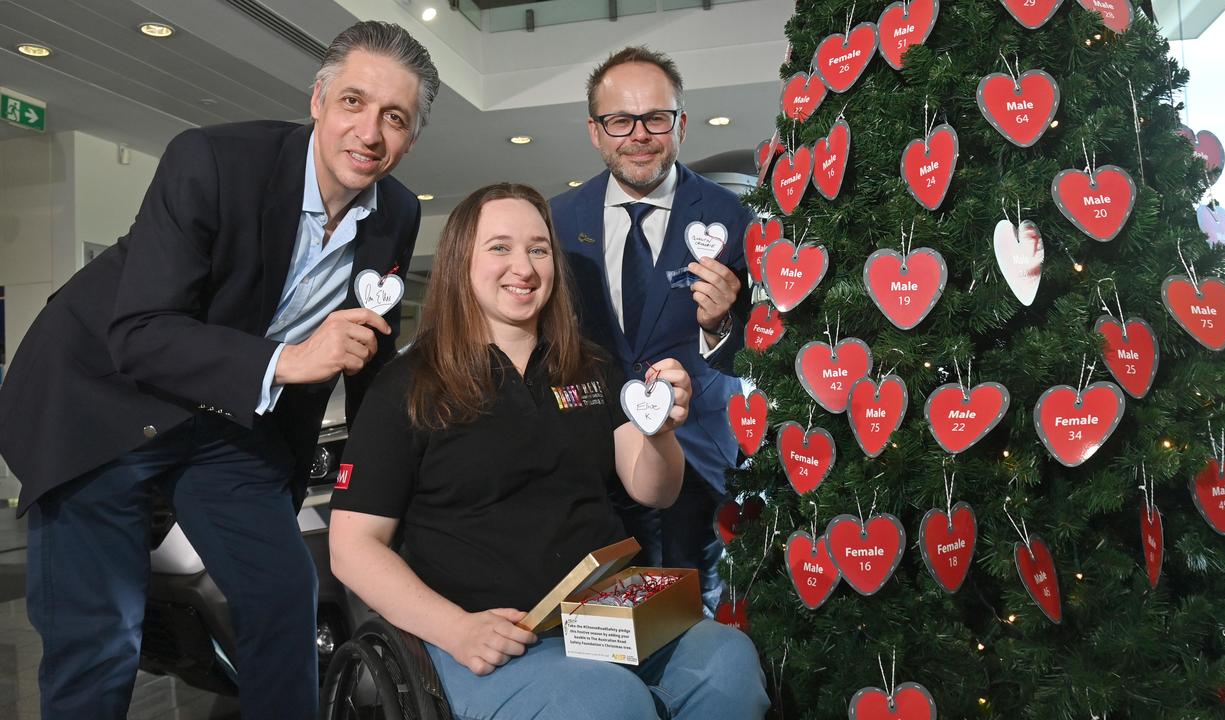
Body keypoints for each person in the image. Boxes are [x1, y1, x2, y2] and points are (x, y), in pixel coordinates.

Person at [0, 21, 438, 720]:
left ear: (413, 136)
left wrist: (379, 473)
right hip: (104, 395)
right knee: (102, 637)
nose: (370, 131)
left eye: (396, 117)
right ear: (318, 99)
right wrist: (290, 360)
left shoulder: (398, 212)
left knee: (282, 599)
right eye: (354, 101)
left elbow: (368, 351)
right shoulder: (212, 160)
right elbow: (140, 332)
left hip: (223, 419)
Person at [329, 183, 770, 719]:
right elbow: (352, 548)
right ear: (459, 263)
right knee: (608, 701)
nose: (524, 266)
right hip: (487, 635)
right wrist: (457, 629)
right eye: (500, 248)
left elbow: (655, 489)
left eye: (539, 249)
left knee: (727, 661)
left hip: (605, 618)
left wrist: (659, 430)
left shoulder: (589, 367)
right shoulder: (408, 385)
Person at [549, 46, 755, 611]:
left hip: (696, 458)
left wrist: (721, 323)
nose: (638, 135)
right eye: (620, 120)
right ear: (595, 131)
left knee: (692, 617)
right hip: (593, 458)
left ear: (680, 125)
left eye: (656, 118)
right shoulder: (556, 220)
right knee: (603, 620)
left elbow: (761, 352)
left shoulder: (733, 218)